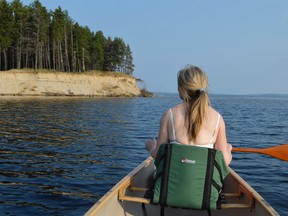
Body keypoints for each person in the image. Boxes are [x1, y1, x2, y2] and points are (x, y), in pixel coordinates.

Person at [145, 65, 232, 165]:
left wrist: (151, 147)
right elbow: (224, 161)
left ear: (181, 89)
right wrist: (228, 150)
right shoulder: (217, 119)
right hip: (205, 181)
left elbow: (159, 156)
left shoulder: (169, 115)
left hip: (172, 180)